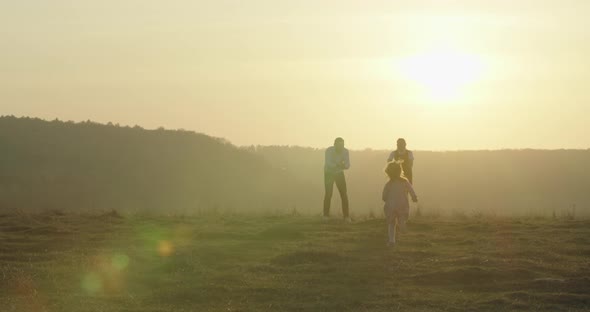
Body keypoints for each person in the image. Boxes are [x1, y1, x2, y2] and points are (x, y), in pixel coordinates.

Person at [382, 162, 417, 246]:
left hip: (391, 206)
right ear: (400, 171)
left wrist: (385, 199)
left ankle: (391, 241)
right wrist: (414, 197)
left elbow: (384, 195)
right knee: (401, 217)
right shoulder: (405, 181)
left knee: (391, 223)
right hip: (402, 204)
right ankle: (402, 224)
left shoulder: (388, 184)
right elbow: (411, 189)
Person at [324, 137, 351, 222]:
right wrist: (340, 165)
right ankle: (325, 216)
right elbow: (328, 164)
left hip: (339, 173)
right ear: (334, 145)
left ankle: (346, 216)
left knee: (344, 194)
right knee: (328, 194)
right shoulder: (329, 150)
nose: (341, 148)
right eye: (339, 146)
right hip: (329, 173)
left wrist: (338, 165)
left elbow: (347, 165)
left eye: (342, 145)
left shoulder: (345, 151)